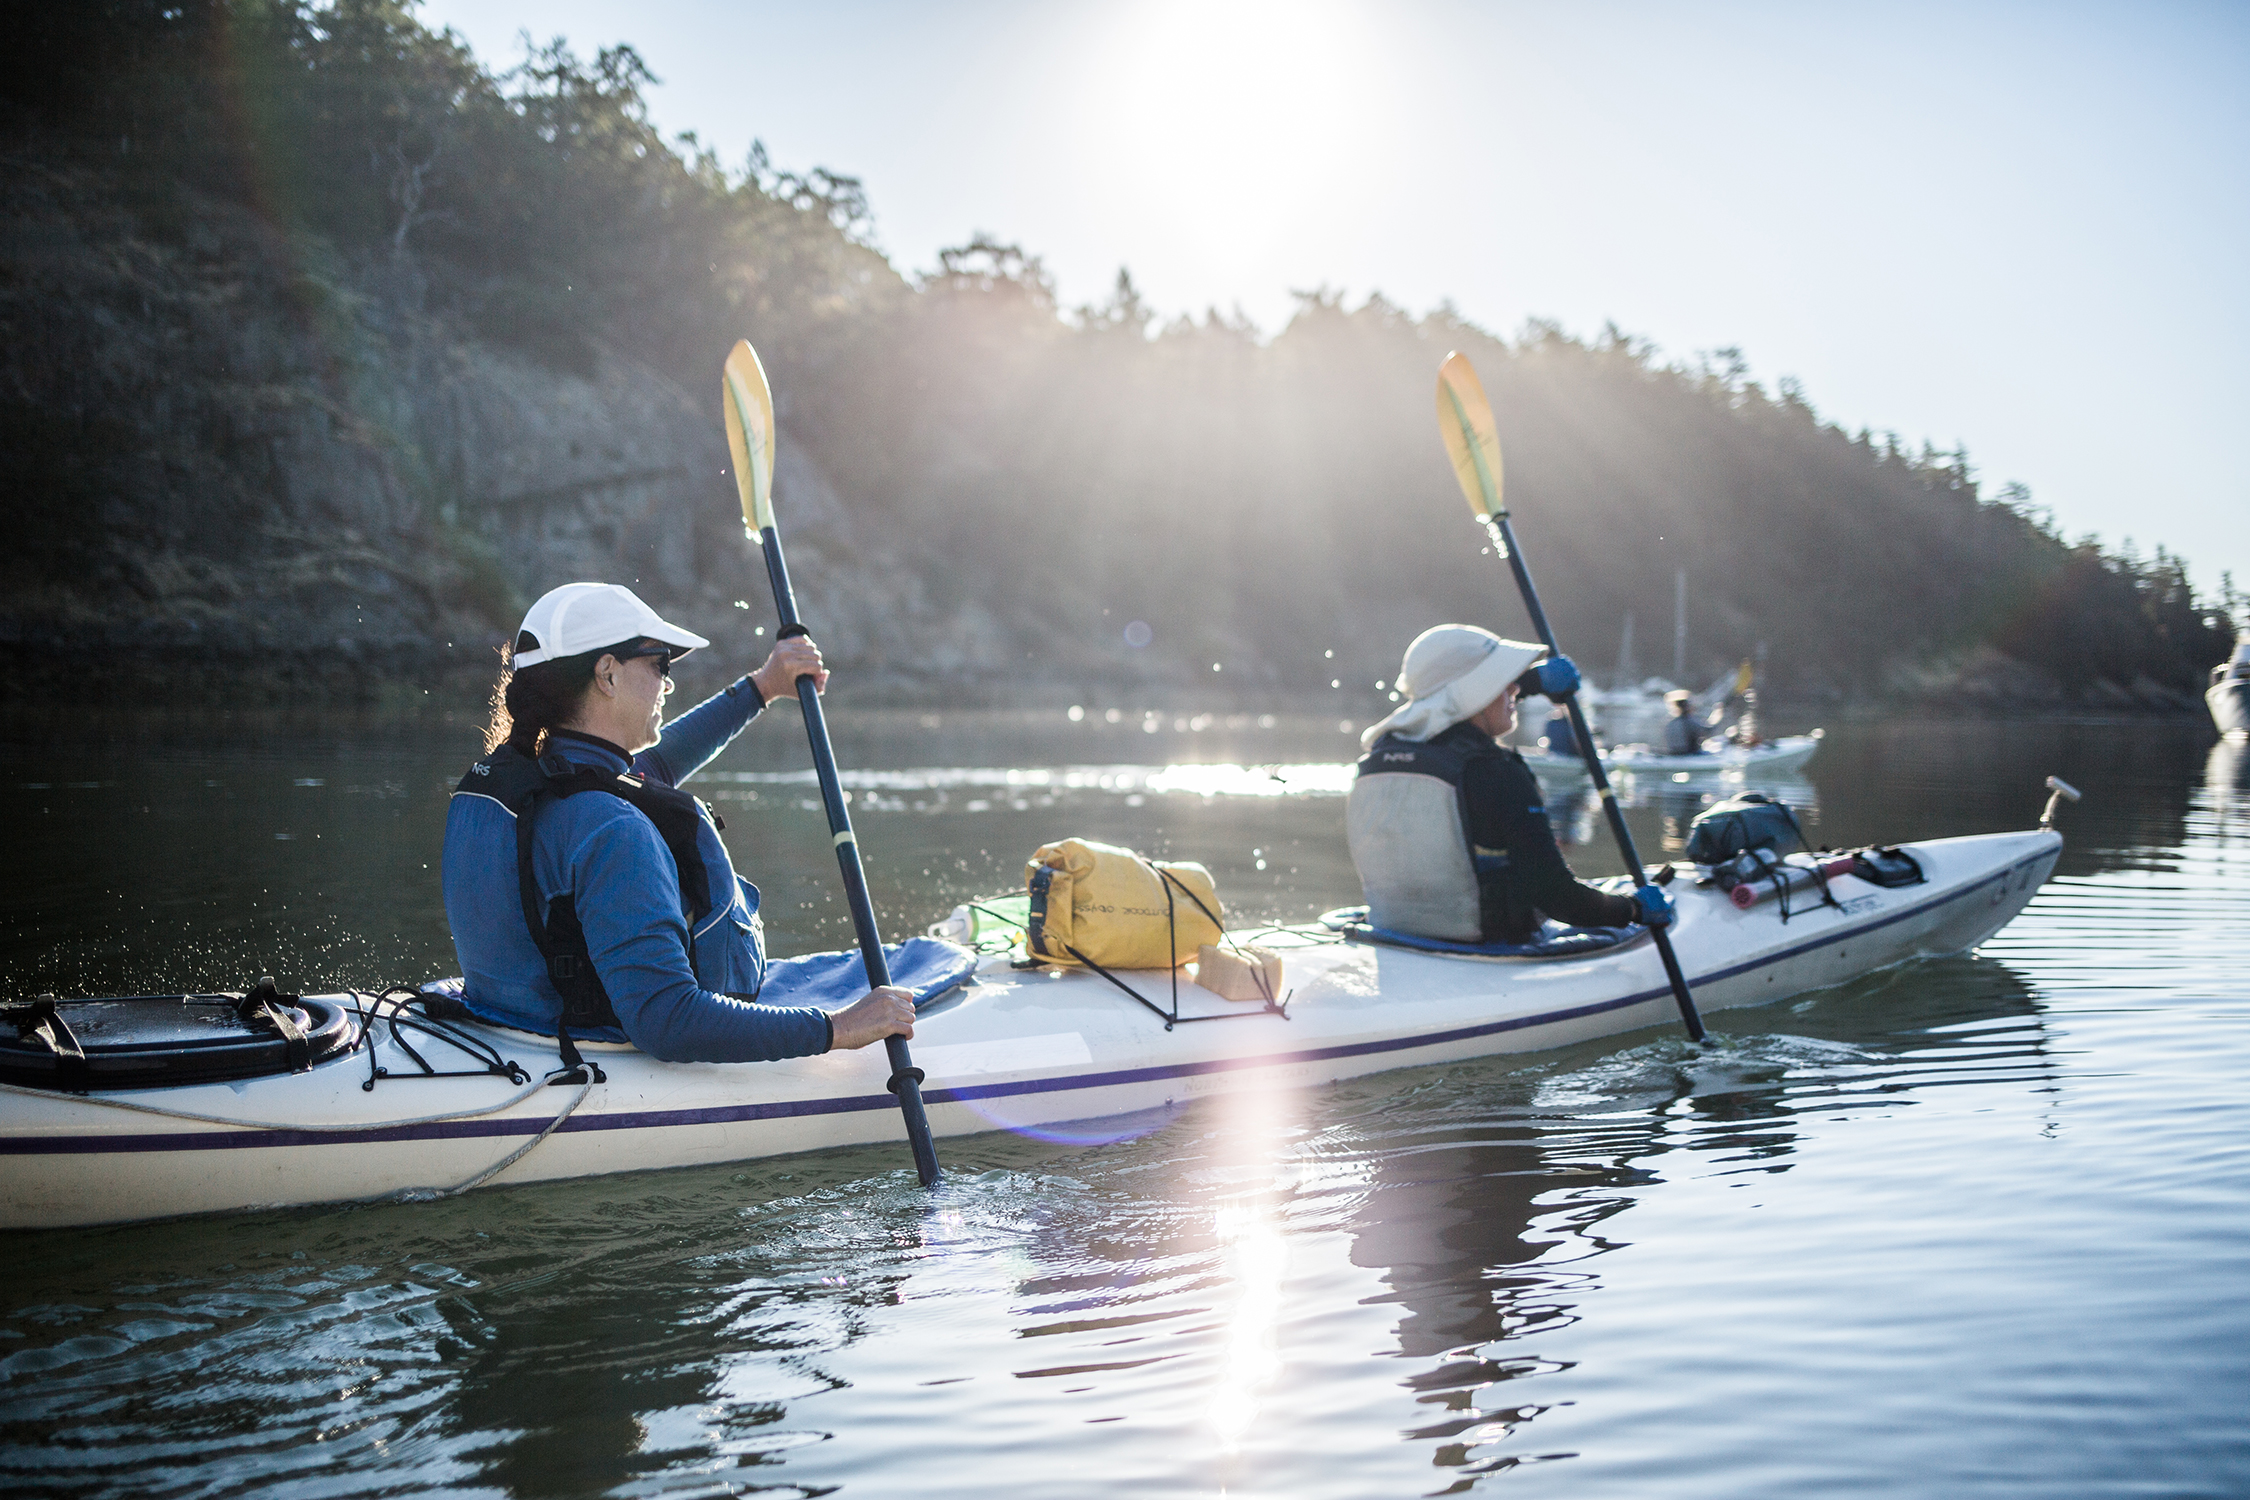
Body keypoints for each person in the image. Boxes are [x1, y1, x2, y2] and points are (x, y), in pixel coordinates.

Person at [442, 582, 916, 1064]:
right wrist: (838, 1028)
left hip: (506, 1024)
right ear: (607, 674)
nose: (668, 684)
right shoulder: (612, 831)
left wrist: (764, 686)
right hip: (579, 1049)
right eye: (659, 665)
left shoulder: (523, 780)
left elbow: (660, 763)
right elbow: (667, 1020)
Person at [1347, 624, 1674, 944]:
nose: (1515, 689)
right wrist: (1632, 908)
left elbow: (1451, 703)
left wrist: (1534, 680)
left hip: (1395, 930)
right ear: (1477, 691)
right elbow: (1558, 897)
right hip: (1486, 942)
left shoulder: (1383, 752)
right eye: (1502, 682)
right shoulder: (1498, 773)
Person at [1661, 689, 1709, 755]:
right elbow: (1707, 731)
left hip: (1674, 754)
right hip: (1690, 754)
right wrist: (1717, 715)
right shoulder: (1689, 721)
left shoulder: (1670, 723)